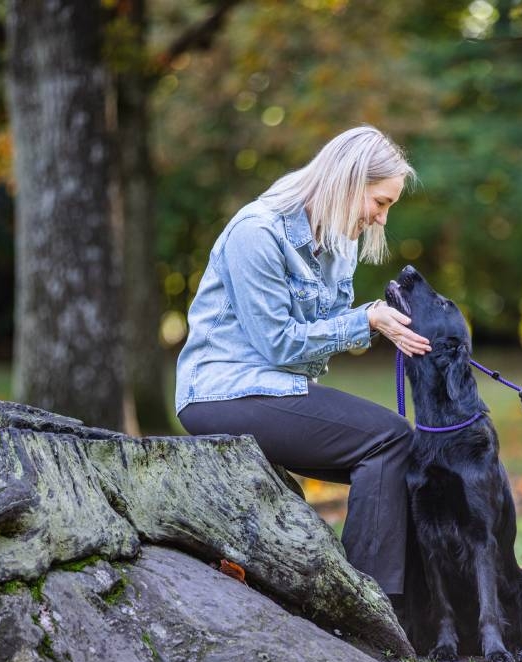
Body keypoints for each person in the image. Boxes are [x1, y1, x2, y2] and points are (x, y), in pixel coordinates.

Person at [175, 125, 430, 600]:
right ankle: (368, 603)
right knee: (388, 439)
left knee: (403, 453)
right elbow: (279, 345)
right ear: (348, 182)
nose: (381, 219)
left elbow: (331, 331)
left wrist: (376, 322)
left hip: (274, 391)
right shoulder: (257, 232)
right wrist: (364, 322)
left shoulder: (339, 242)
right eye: (380, 202)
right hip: (222, 392)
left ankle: (416, 607)